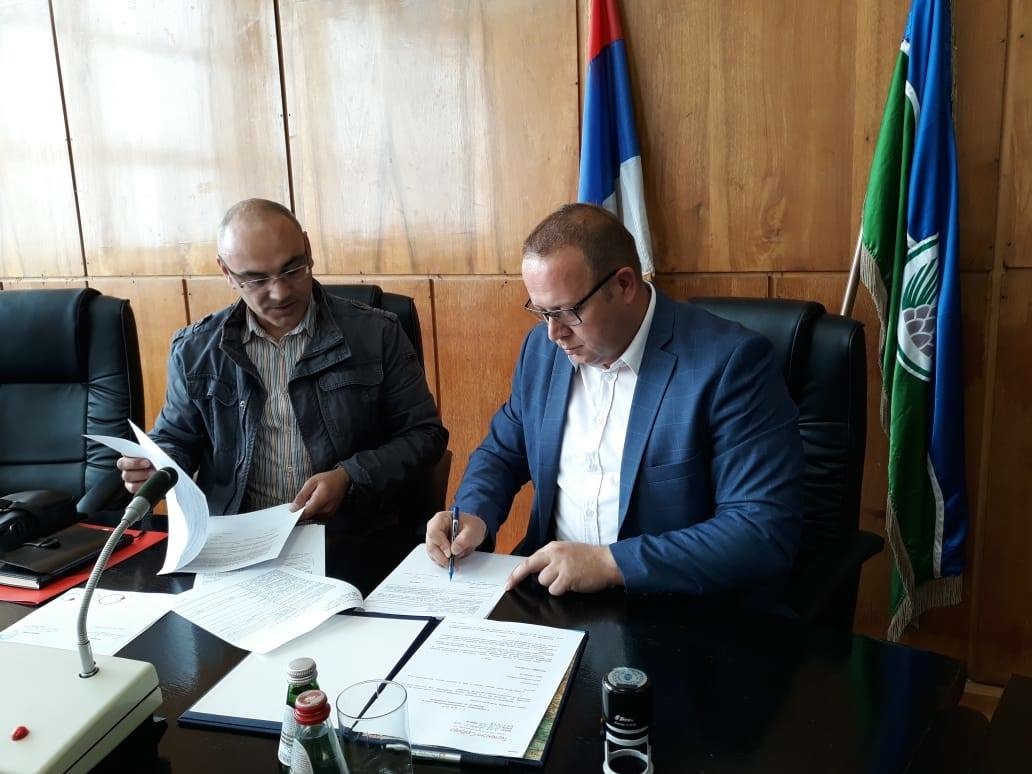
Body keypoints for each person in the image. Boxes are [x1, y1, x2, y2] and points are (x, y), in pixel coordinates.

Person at [426, 203, 802, 601]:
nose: (553, 333)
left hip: (669, 606)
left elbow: (761, 529)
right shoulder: (542, 351)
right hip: (551, 595)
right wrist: (473, 512)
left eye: (567, 312)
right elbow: (503, 452)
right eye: (541, 312)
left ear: (624, 285)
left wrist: (610, 563)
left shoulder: (729, 364)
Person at [118, 199, 447, 539]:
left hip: (347, 536)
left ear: (307, 248)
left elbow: (425, 435)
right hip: (237, 538)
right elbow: (176, 439)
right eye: (256, 280)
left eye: (292, 270)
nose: (279, 292)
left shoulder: (376, 334)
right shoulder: (195, 349)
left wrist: (349, 477)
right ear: (226, 272)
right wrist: (156, 466)